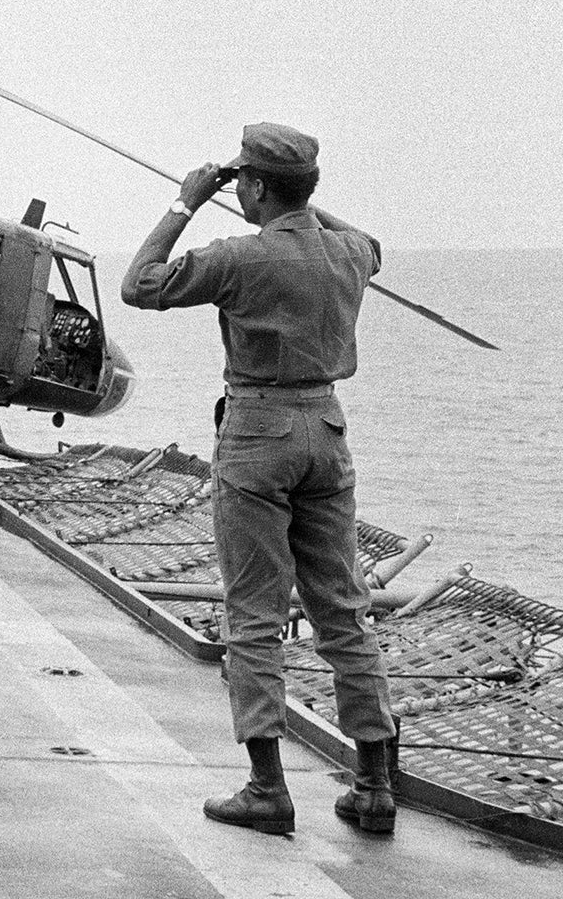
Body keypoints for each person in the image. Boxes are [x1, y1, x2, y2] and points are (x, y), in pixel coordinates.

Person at [121, 123, 397, 838]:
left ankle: (267, 790)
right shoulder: (351, 254)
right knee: (344, 608)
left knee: (253, 615)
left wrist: (186, 202)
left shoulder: (238, 257)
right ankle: (372, 787)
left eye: (245, 181)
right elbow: (367, 242)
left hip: (258, 432)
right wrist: (301, 202)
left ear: (253, 187)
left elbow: (139, 284)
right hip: (327, 433)